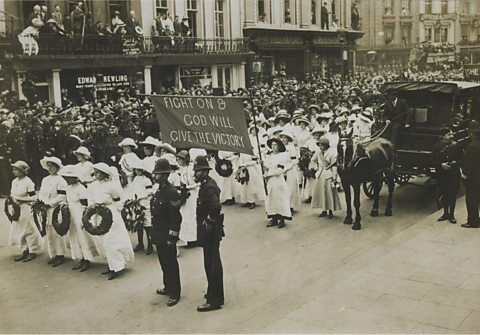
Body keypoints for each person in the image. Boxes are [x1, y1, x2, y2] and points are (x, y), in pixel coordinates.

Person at [88, 163, 134, 280]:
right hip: (98, 213)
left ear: (104, 174)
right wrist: (93, 207)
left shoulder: (111, 186)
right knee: (103, 241)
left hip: (110, 214)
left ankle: (116, 267)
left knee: (111, 241)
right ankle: (111, 265)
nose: (96, 174)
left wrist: (115, 212)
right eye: (95, 172)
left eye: (98, 172)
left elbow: (118, 201)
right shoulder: (93, 186)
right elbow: (91, 199)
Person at [193, 155, 225, 312]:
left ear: (205, 171)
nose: (195, 173)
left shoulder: (209, 186)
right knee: (210, 262)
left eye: (198, 171)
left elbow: (215, 207)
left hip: (211, 230)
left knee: (212, 264)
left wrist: (208, 221)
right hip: (209, 230)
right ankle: (215, 293)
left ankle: (214, 300)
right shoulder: (205, 184)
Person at [151, 158, 182, 307]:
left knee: (171, 263)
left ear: (164, 175)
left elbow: (176, 217)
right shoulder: (159, 190)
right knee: (163, 262)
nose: (155, 176)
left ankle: (175, 292)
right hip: (158, 233)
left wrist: (172, 236)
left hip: (167, 234)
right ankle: (168, 286)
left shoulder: (171, 192)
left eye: (157, 174)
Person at [59, 165, 100, 272]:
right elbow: (68, 201)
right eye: (65, 177)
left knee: (83, 237)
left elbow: (85, 205)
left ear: (75, 178)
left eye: (69, 177)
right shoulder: (68, 188)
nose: (67, 179)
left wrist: (84, 218)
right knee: (74, 236)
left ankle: (87, 259)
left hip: (80, 214)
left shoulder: (81, 188)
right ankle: (80, 257)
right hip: (71, 214)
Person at [8, 161, 43, 262]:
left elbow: (34, 198)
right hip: (16, 209)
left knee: (29, 229)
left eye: (16, 169)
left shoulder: (28, 182)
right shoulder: (14, 182)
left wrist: (22, 200)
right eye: (13, 169)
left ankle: (32, 250)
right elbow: (12, 195)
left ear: (22, 171)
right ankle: (24, 249)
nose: (14, 171)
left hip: (26, 209)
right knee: (19, 228)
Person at [38, 156, 68, 267]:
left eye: (53, 166)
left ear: (57, 167)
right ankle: (53, 254)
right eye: (49, 166)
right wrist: (40, 204)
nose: (50, 168)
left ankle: (60, 255)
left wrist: (49, 204)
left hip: (55, 209)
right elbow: (41, 193)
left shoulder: (60, 180)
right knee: (48, 231)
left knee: (56, 231)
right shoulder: (45, 179)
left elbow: (62, 197)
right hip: (44, 209)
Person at [264, 137, 291, 228]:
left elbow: (280, 170)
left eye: (275, 145)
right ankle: (274, 218)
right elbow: (267, 166)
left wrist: (269, 174)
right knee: (271, 198)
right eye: (272, 145)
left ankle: (282, 219)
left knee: (280, 198)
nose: (273, 146)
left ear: (279, 146)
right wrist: (262, 163)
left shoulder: (283, 156)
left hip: (278, 180)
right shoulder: (269, 156)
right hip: (270, 181)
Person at [311, 138, 341, 218]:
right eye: (320, 145)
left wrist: (334, 178)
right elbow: (312, 160)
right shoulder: (318, 153)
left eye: (322, 145)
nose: (321, 147)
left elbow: (334, 166)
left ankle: (330, 210)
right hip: (320, 174)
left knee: (329, 193)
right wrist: (316, 167)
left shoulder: (331, 154)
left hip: (329, 175)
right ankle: (324, 210)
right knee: (321, 193)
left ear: (326, 146)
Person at [129, 160, 154, 255]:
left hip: (145, 204)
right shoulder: (135, 179)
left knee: (147, 225)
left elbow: (150, 193)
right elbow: (133, 190)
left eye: (139, 170)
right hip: (137, 205)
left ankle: (150, 245)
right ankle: (140, 243)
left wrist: (140, 198)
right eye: (136, 170)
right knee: (139, 224)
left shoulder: (146, 180)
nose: (137, 171)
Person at [176, 150, 200, 247]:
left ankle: (195, 239)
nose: (178, 161)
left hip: (193, 195)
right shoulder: (181, 169)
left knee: (193, 215)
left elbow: (198, 182)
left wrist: (188, 187)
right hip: (185, 196)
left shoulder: (192, 169)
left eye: (180, 159)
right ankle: (189, 239)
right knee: (185, 216)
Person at [461, 120, 480, 228]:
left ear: (472, 133)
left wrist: (464, 175)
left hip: (474, 179)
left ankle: (473, 222)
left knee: (471, 200)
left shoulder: (472, 147)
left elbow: (468, 164)